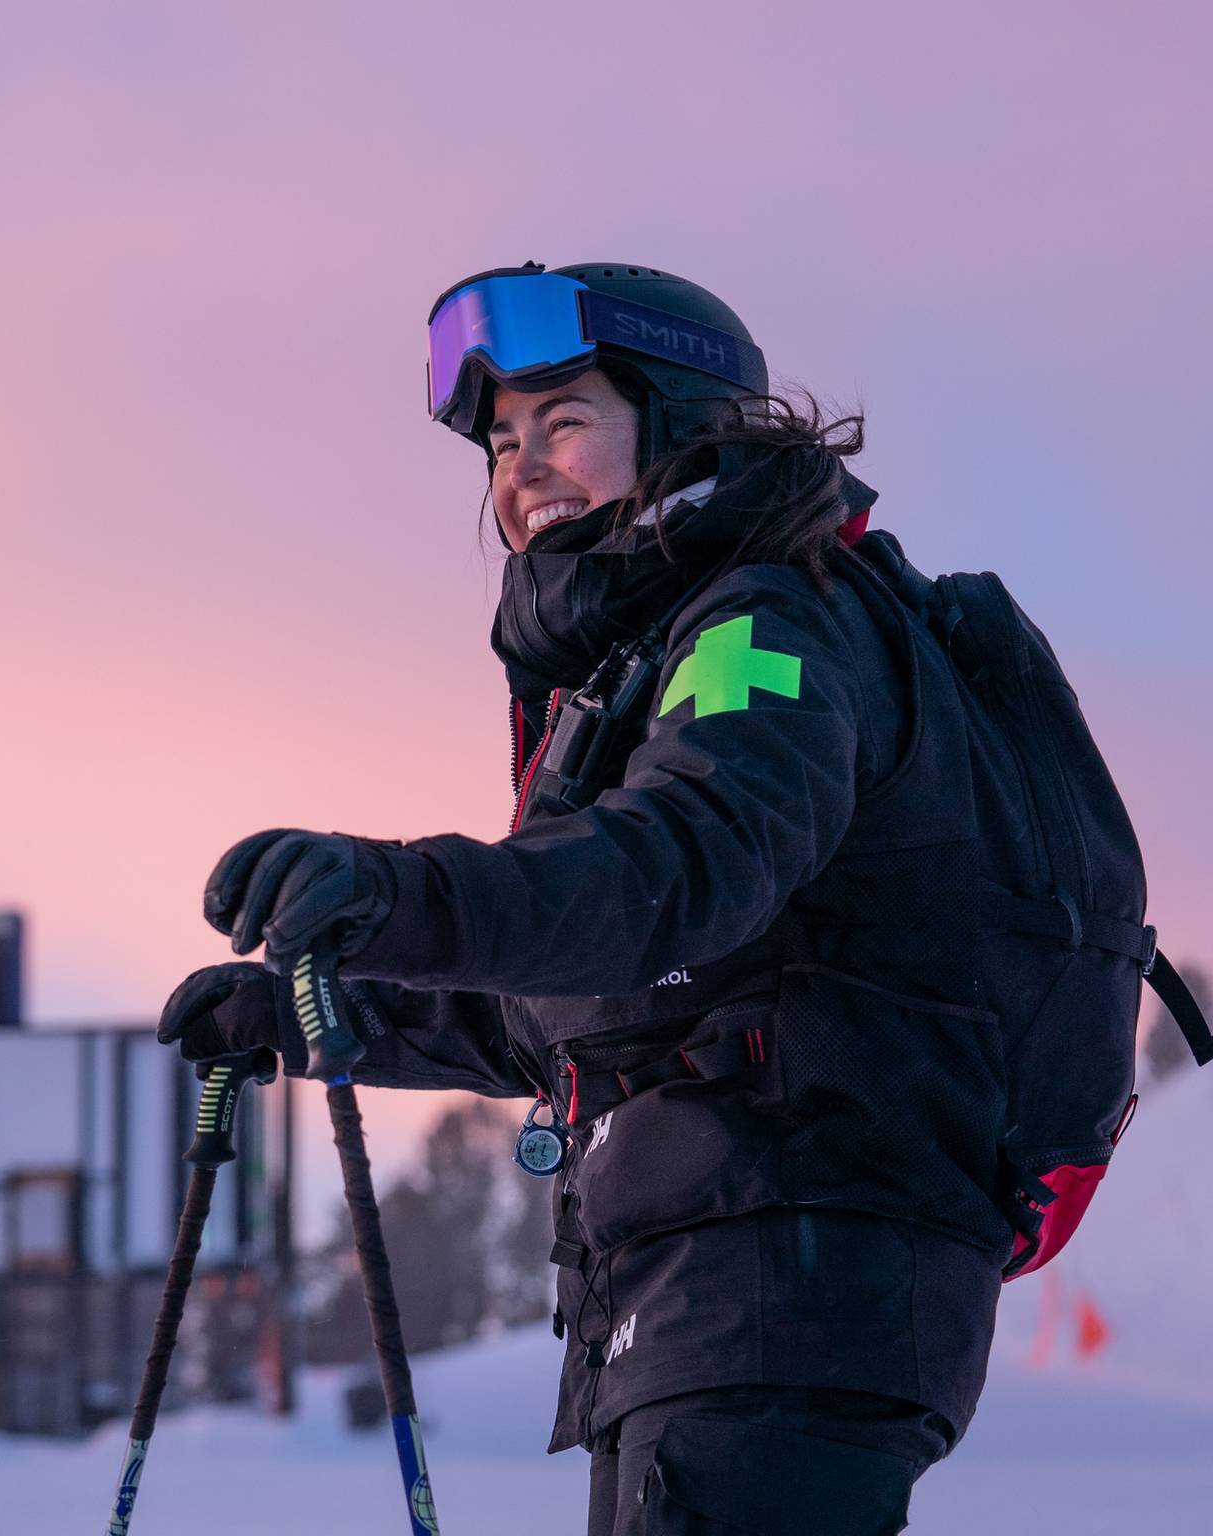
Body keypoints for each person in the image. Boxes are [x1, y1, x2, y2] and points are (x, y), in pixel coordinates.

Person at [160, 261, 1013, 1534]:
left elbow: (683, 866)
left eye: (564, 423)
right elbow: (566, 1003)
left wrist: (396, 888)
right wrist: (316, 1007)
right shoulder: (646, 665)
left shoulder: (763, 629)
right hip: (701, 1290)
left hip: (786, 1269)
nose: (521, 470)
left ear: (684, 424)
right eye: (504, 443)